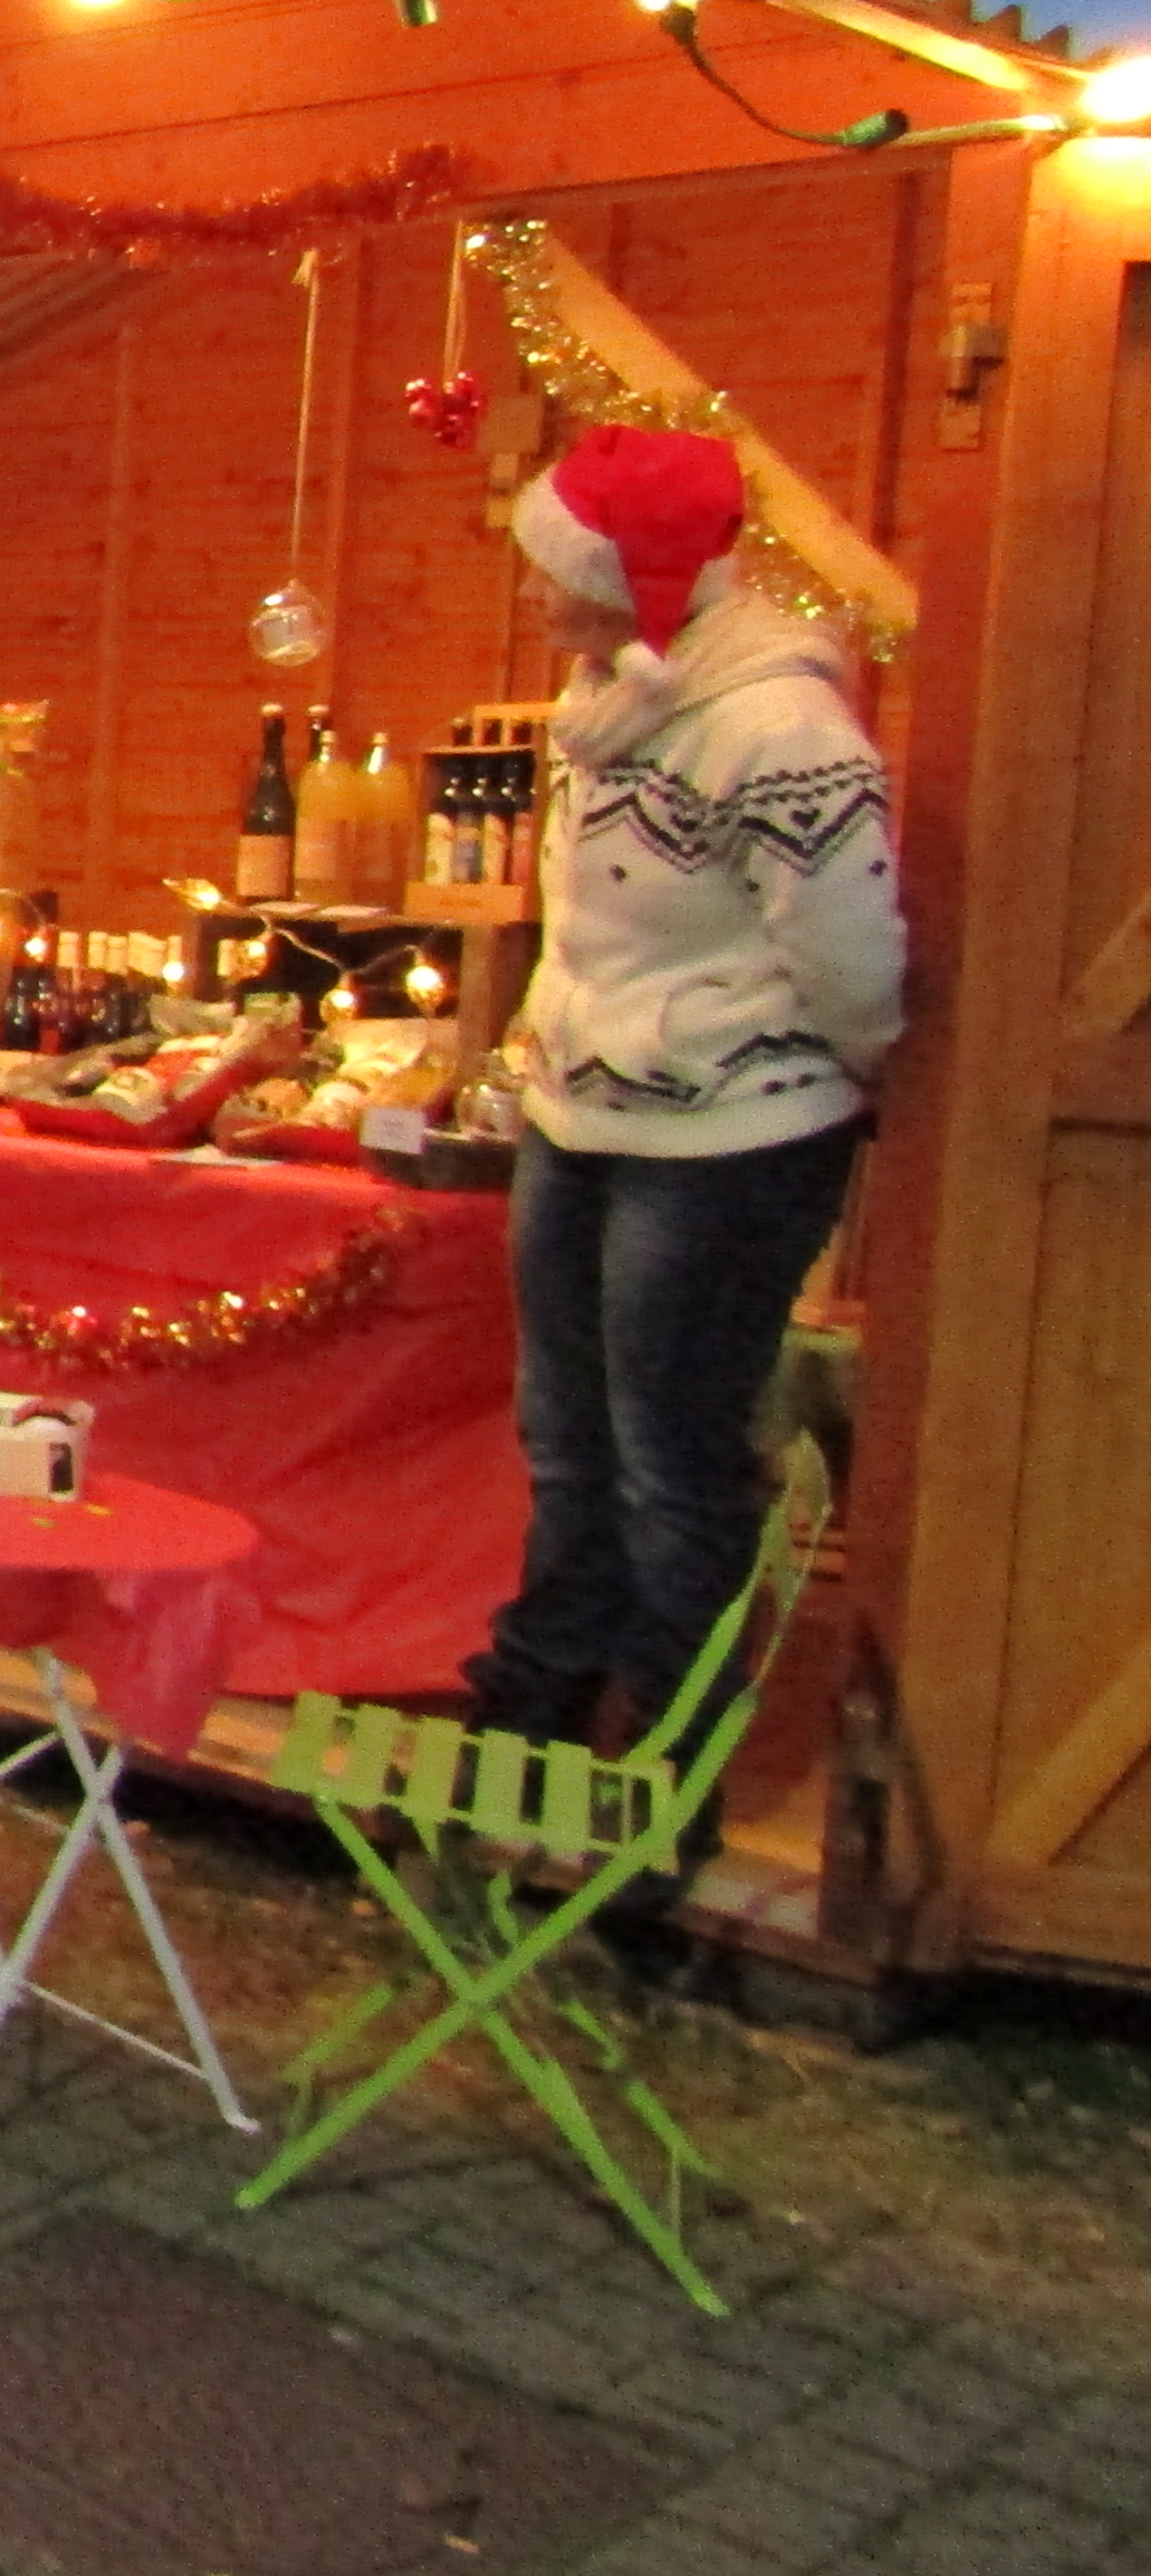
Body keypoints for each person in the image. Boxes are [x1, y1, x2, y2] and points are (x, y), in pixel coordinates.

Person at [471, 426, 904, 1909]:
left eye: (555, 571)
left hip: (725, 1141)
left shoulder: (780, 729)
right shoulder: (602, 705)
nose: (535, 596)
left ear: (634, 578)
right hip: (579, 1118)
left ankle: (656, 1790)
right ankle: (524, 1733)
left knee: (674, 1467)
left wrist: (829, 1072)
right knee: (565, 1445)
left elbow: (851, 958)